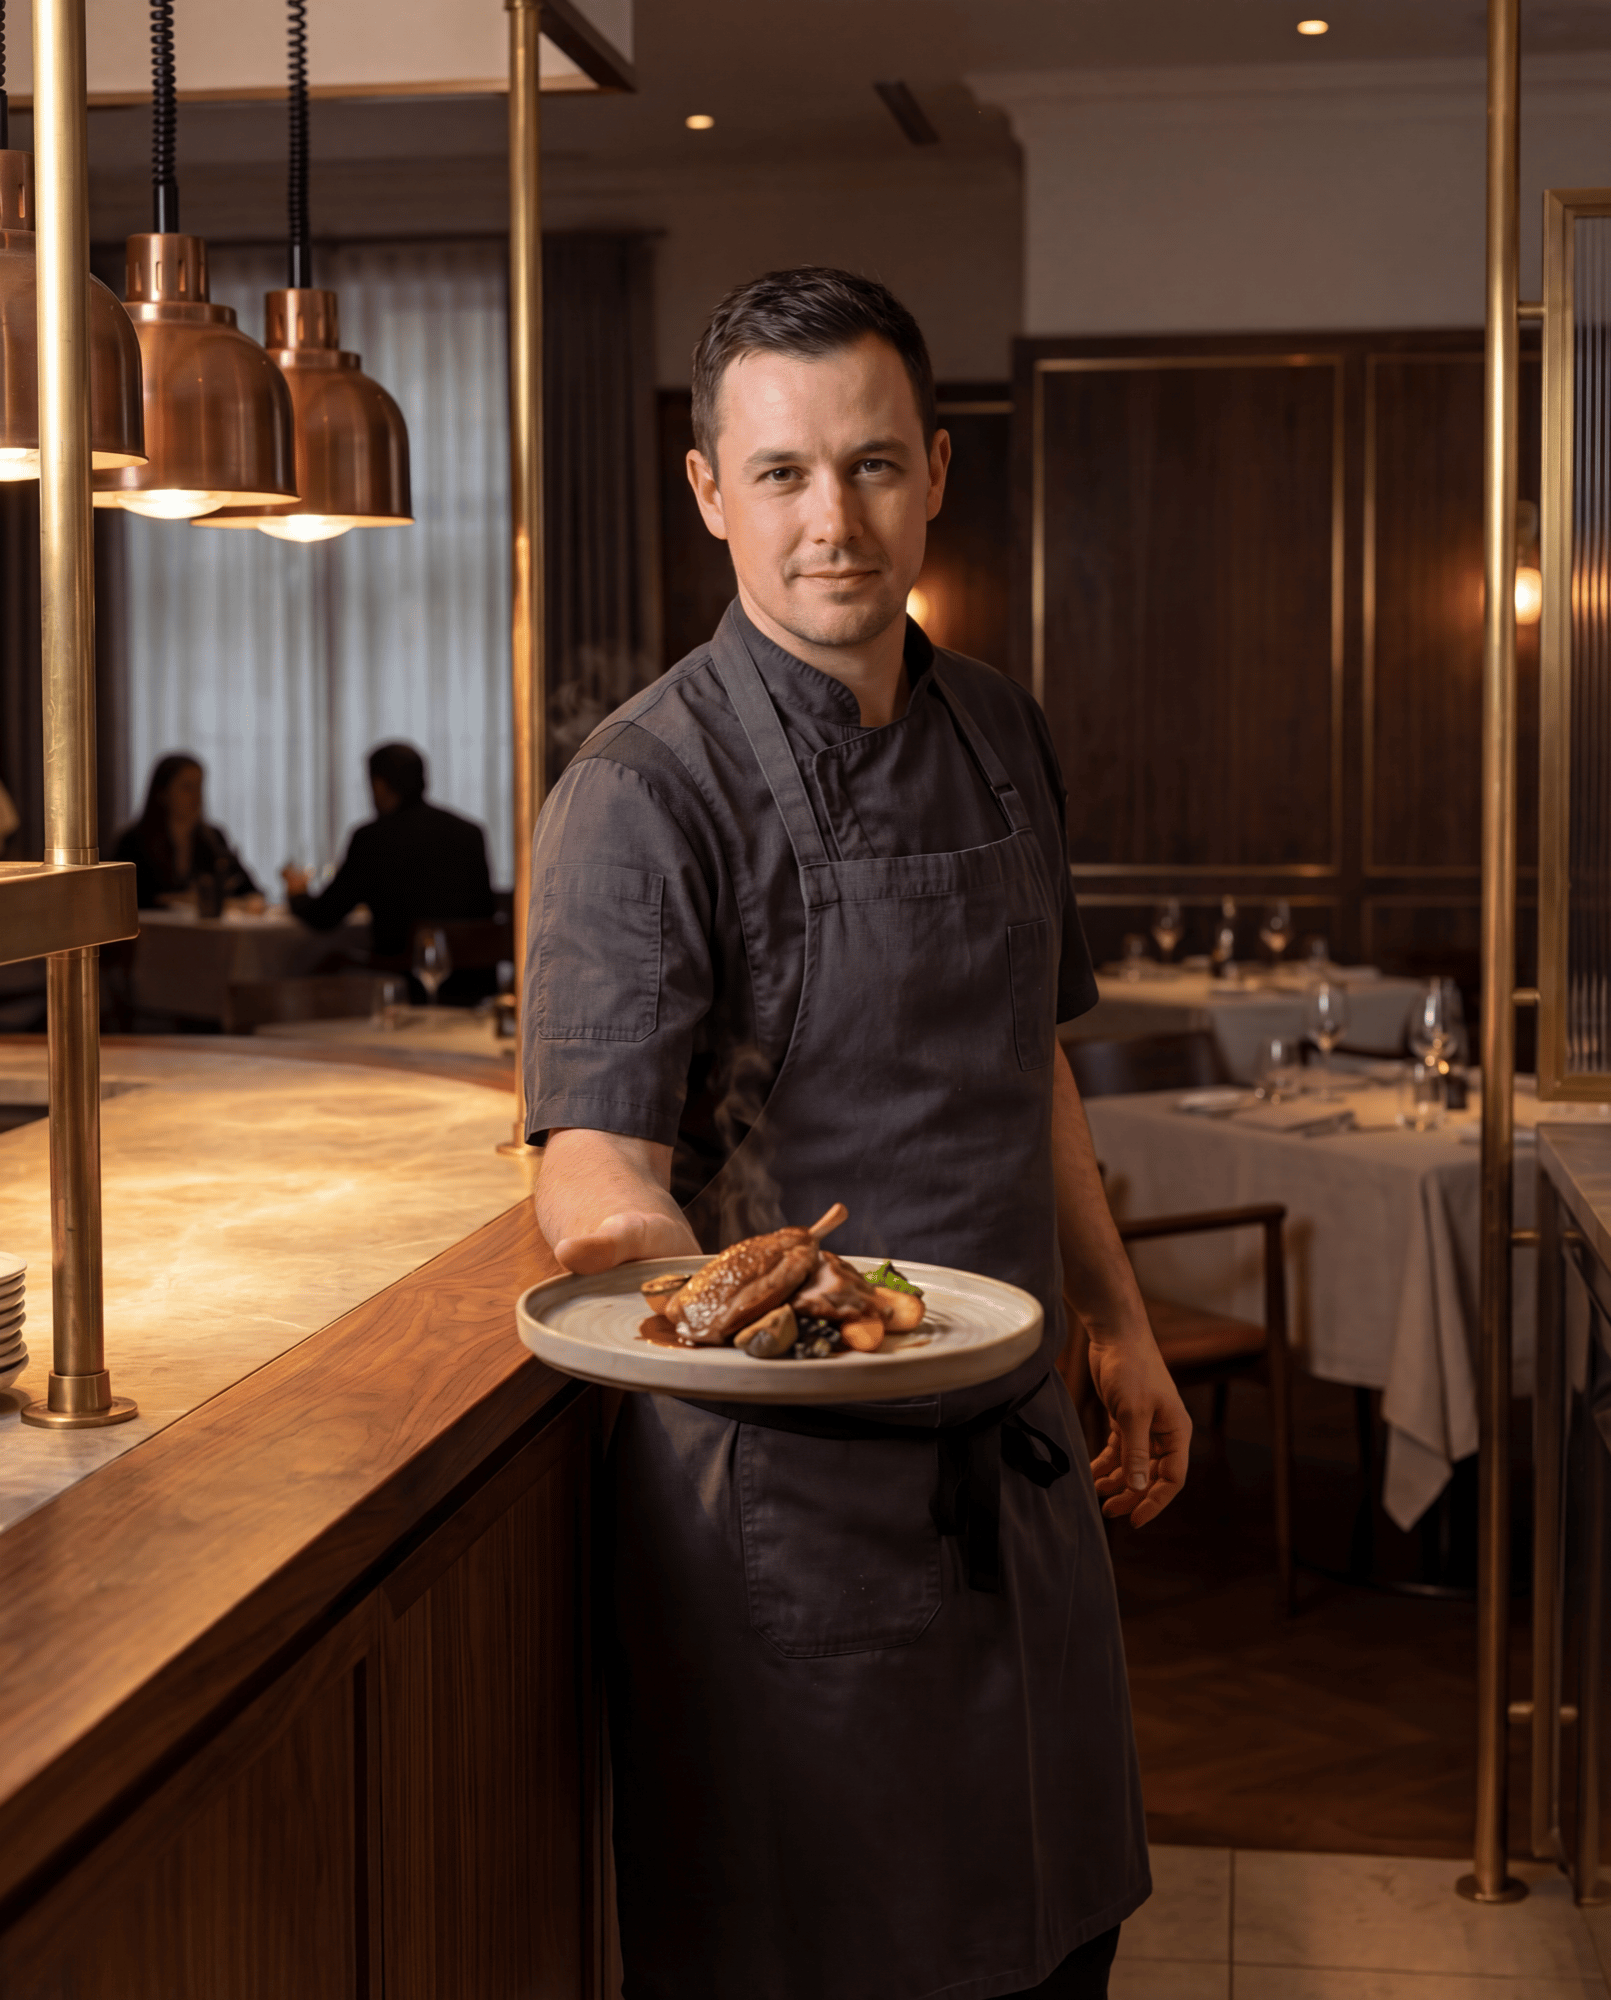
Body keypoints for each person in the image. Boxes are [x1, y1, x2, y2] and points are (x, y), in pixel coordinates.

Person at [524, 267, 1191, 2000]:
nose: (835, 521)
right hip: (788, 1532)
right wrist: (722, 1313)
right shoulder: (638, 788)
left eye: (875, 466)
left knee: (1062, 1951)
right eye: (784, 474)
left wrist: (1115, 1318)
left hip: (1020, 1478)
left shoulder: (1001, 737)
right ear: (707, 493)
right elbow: (590, 1165)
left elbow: (1026, 1056)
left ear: (937, 472)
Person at [282, 741, 495, 969]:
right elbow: (483, 909)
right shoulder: (470, 833)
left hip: (401, 976)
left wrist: (298, 894)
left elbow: (324, 917)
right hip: (474, 978)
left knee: (323, 966)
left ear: (379, 785)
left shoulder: (372, 838)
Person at [114, 754, 261, 911]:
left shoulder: (212, 838)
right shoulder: (133, 841)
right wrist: (178, 899)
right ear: (162, 793)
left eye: (199, 787)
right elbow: (122, 900)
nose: (196, 796)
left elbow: (248, 889)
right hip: (152, 932)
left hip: (205, 933)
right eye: (187, 787)